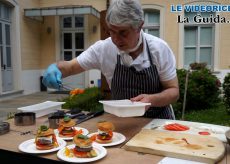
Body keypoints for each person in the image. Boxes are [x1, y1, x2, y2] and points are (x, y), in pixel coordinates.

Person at [42, 0, 179, 119]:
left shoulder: (159, 49)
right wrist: (55, 68)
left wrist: (151, 99)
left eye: (123, 32)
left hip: (158, 122)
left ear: (139, 26)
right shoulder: (104, 49)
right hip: (122, 123)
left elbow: (173, 91)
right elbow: (70, 66)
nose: (116, 39)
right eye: (111, 31)